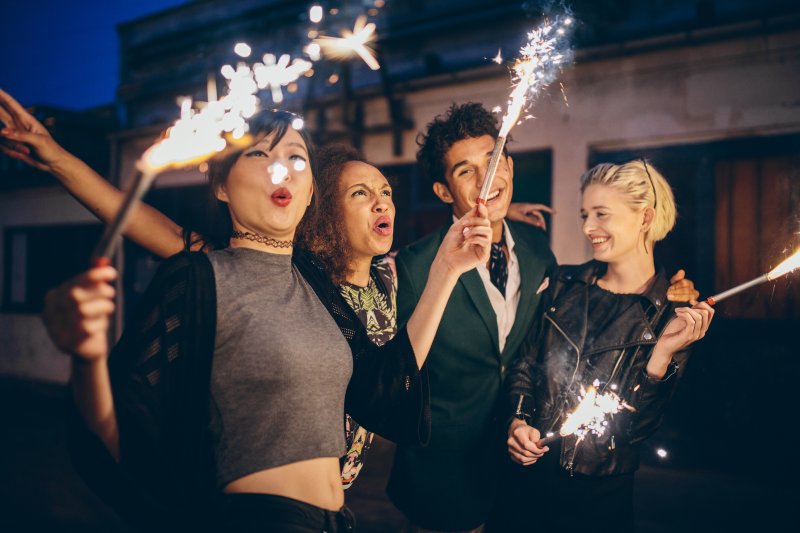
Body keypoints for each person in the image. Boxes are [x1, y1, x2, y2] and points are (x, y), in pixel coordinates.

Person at [38, 109, 494, 531]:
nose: (282, 167)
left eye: (297, 158)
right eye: (259, 153)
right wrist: (87, 358)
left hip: (338, 516)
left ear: (309, 190)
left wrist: (457, 262)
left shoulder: (322, 290)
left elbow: (383, 389)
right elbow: (121, 428)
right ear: (220, 185)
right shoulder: (208, 274)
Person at [386, 103, 699, 533]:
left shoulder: (537, 250)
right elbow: (392, 377)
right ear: (443, 192)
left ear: (509, 165)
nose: (486, 180)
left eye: (493, 162)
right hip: (444, 479)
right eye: (465, 172)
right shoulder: (412, 267)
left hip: (522, 479)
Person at [503, 160, 714, 532]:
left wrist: (661, 354)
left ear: (645, 218)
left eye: (601, 214)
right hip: (527, 484)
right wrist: (517, 420)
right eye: (585, 214)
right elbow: (525, 363)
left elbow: (638, 430)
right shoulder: (561, 284)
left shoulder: (673, 315)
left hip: (599, 501)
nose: (587, 228)